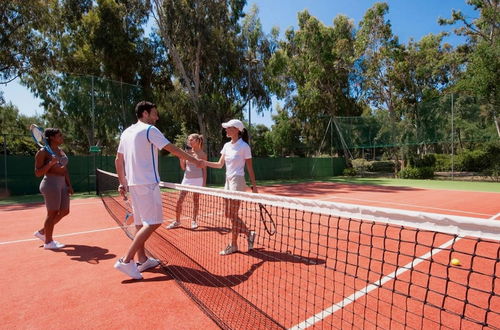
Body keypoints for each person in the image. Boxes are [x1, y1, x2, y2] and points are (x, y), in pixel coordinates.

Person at [114, 101, 204, 280]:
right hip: (147, 184)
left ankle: (142, 260)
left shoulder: (126, 132)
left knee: (140, 223)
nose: (157, 117)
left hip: (133, 184)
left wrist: (122, 182)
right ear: (145, 114)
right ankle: (126, 260)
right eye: (154, 113)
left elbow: (118, 159)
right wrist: (194, 161)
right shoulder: (149, 130)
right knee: (153, 222)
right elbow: (171, 148)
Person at [203, 119, 257, 255]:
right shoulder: (227, 146)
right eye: (226, 128)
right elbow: (219, 164)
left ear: (237, 130)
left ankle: (234, 244)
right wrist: (203, 162)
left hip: (238, 181)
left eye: (228, 128)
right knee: (228, 214)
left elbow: (250, 168)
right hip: (227, 181)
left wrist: (254, 186)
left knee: (233, 214)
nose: (226, 130)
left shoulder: (244, 147)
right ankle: (249, 233)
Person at [33, 128, 74, 249]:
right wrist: (50, 163)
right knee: (52, 213)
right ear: (51, 137)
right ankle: (48, 242)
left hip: (62, 184)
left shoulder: (60, 151)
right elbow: (38, 173)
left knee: (65, 211)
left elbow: (64, 169)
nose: (62, 137)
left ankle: (42, 232)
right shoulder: (42, 152)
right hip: (50, 183)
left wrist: (68, 184)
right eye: (59, 135)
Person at [166, 134, 207, 230]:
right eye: (189, 139)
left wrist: (204, 183)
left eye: (191, 139)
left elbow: (204, 170)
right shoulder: (186, 152)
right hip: (187, 179)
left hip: (198, 179)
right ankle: (177, 221)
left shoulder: (203, 154)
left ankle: (194, 221)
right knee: (179, 200)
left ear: (197, 141)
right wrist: (181, 159)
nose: (189, 141)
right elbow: (183, 167)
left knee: (196, 201)